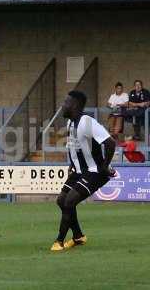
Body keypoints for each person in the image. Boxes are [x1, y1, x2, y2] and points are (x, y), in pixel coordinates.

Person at [51, 90, 116, 252]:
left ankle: (59, 241)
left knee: (69, 201)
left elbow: (110, 143)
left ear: (74, 105)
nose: (62, 105)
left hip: (94, 172)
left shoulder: (87, 122)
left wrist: (104, 165)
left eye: (65, 103)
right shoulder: (70, 123)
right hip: (79, 171)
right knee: (61, 200)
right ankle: (78, 236)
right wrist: (72, 164)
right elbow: (74, 145)